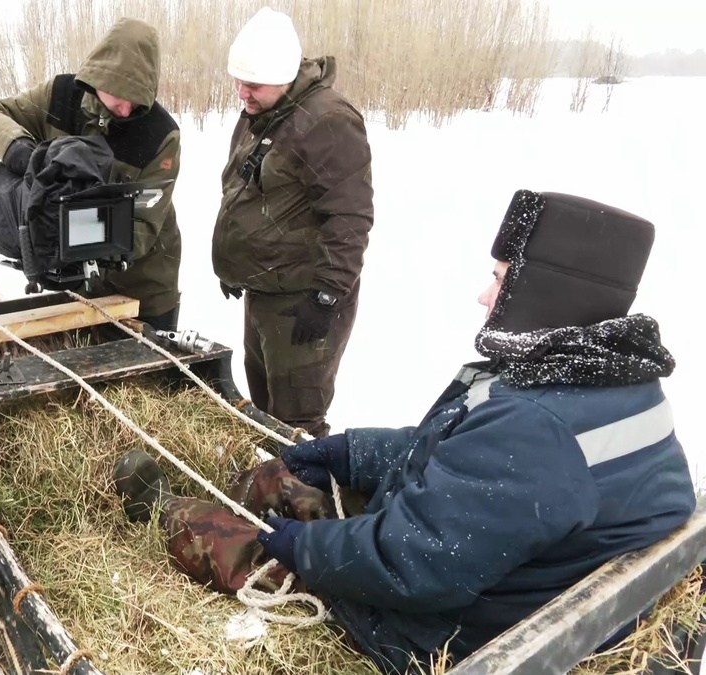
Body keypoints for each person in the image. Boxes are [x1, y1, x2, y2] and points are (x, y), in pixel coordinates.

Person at [115, 190, 695, 673]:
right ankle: (248, 493)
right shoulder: (610, 383)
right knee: (286, 479)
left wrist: (298, 548)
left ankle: (173, 511)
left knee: (245, 539)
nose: (485, 294)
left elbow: (409, 565)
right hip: (511, 584)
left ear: (547, 292)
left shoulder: (536, 426)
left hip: (436, 634)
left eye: (499, 278)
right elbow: (467, 458)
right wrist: (349, 452)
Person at [213, 7, 374, 438]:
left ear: (283, 75)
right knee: (263, 410)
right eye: (237, 80)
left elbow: (350, 216)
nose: (240, 92)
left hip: (302, 301)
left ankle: (307, 504)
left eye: (252, 84)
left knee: (298, 421)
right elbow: (245, 192)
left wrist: (326, 296)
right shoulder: (262, 113)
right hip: (264, 293)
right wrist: (235, 263)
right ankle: (267, 494)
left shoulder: (328, 121)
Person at [0, 17, 182, 330]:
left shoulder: (160, 136)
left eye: (135, 98)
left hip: (143, 290)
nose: (125, 108)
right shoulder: (59, 96)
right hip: (73, 291)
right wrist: (18, 149)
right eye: (118, 94)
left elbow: (142, 228)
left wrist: (71, 243)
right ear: (98, 78)